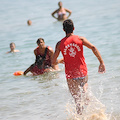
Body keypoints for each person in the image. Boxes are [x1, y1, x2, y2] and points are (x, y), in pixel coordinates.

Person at [52, 19, 106, 115]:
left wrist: (62, 60)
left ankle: (80, 117)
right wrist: (101, 62)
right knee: (85, 85)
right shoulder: (80, 39)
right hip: (82, 71)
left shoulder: (60, 44)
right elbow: (93, 47)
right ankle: (86, 92)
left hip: (70, 75)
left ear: (63, 30)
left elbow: (53, 62)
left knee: (77, 100)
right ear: (73, 28)